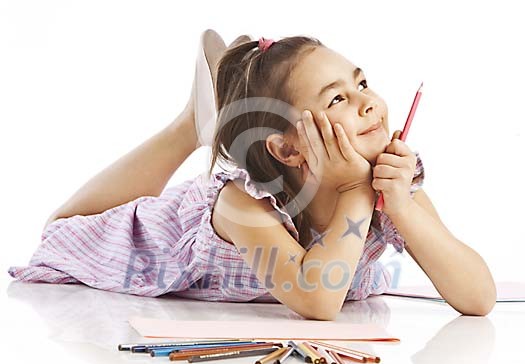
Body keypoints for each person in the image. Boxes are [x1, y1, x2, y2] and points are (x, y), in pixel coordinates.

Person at [7, 30, 496, 320]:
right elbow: (317, 297)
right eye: (337, 99)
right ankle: (189, 127)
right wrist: (352, 190)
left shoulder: (392, 189)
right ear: (286, 149)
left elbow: (478, 297)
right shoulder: (243, 206)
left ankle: (206, 120)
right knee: (61, 229)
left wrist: (405, 210)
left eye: (361, 82)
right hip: (155, 241)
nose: (369, 102)